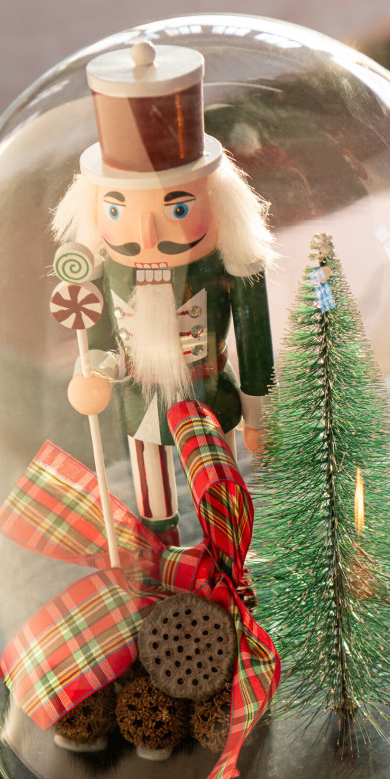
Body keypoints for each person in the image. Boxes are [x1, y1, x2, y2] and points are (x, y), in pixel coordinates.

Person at [53, 40, 276, 546]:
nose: (146, 234)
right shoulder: (105, 272)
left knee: (219, 493)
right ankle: (160, 559)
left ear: (217, 200)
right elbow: (98, 336)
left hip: (209, 396)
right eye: (117, 210)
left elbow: (254, 341)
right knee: (152, 499)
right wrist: (95, 371)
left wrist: (259, 414)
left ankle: (226, 562)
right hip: (141, 400)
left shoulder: (228, 266)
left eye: (178, 209)